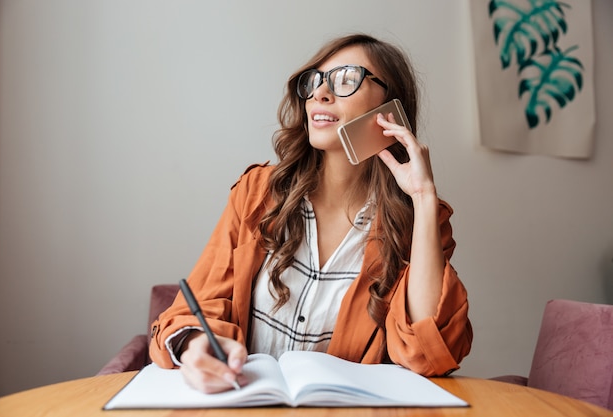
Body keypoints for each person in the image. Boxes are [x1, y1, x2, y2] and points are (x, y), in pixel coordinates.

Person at [149, 33, 473, 393]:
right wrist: (196, 348)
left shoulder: (418, 221)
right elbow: (193, 311)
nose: (320, 93)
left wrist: (423, 197)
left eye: (347, 79)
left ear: (390, 107)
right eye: (315, 81)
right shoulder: (257, 193)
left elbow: (429, 355)